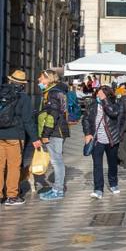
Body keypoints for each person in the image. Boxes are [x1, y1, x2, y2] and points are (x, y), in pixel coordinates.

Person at [0, 69, 40, 205]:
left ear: (10, 80)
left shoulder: (1, 93)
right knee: (13, 166)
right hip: (15, 136)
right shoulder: (23, 97)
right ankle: (12, 196)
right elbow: (28, 120)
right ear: (22, 84)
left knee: (0, 166)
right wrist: (35, 139)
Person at [82, 85, 122, 199]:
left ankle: (113, 183)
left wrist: (105, 101)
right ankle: (98, 189)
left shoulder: (114, 104)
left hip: (111, 139)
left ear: (107, 95)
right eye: (98, 94)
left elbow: (113, 113)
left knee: (112, 163)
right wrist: (87, 133)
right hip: (96, 139)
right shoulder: (92, 105)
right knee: (97, 165)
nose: (98, 96)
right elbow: (85, 119)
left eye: (101, 94)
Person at [36, 70, 70, 201]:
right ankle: (57, 188)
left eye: (40, 78)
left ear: (48, 79)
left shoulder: (53, 92)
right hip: (57, 130)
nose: (39, 81)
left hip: (55, 132)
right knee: (56, 161)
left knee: (57, 162)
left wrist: (45, 134)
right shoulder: (56, 91)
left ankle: (58, 190)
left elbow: (53, 115)